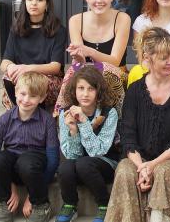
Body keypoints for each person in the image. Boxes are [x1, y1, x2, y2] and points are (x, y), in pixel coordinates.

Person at [106, 27, 170, 222]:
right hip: (138, 158)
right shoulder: (135, 90)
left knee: (164, 172)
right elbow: (128, 136)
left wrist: (152, 165)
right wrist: (141, 166)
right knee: (124, 170)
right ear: (148, 58)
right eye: (164, 58)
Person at [0, 72, 60, 222]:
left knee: (26, 162)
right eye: (23, 94)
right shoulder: (4, 119)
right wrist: (10, 186)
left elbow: (53, 161)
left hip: (34, 167)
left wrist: (32, 196)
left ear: (42, 98)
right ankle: (5, 203)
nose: (26, 100)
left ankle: (41, 204)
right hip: (12, 167)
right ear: (16, 93)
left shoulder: (47, 121)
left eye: (32, 96)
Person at [54, 0, 129, 116]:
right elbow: (81, 62)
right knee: (72, 71)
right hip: (87, 71)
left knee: (106, 69)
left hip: (117, 73)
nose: (99, 1)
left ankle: (118, 120)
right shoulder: (75, 20)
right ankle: (62, 118)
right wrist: (78, 56)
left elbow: (115, 61)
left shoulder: (122, 18)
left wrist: (90, 51)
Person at [55, 66, 120, 222]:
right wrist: (73, 131)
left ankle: (104, 204)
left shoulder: (109, 113)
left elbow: (98, 150)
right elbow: (71, 156)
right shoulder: (66, 113)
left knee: (84, 164)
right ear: (74, 90)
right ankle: (70, 204)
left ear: (98, 91)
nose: (85, 94)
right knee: (65, 167)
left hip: (105, 163)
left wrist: (83, 122)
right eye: (81, 88)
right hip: (80, 164)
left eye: (91, 89)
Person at [0, 0, 67, 110]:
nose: (34, 3)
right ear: (24, 3)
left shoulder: (58, 30)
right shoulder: (16, 29)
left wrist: (28, 69)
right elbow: (4, 62)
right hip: (22, 79)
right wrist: (12, 67)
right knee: (8, 76)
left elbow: (55, 67)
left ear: (47, 4)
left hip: (48, 79)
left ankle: (36, 117)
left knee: (33, 82)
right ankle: (17, 116)